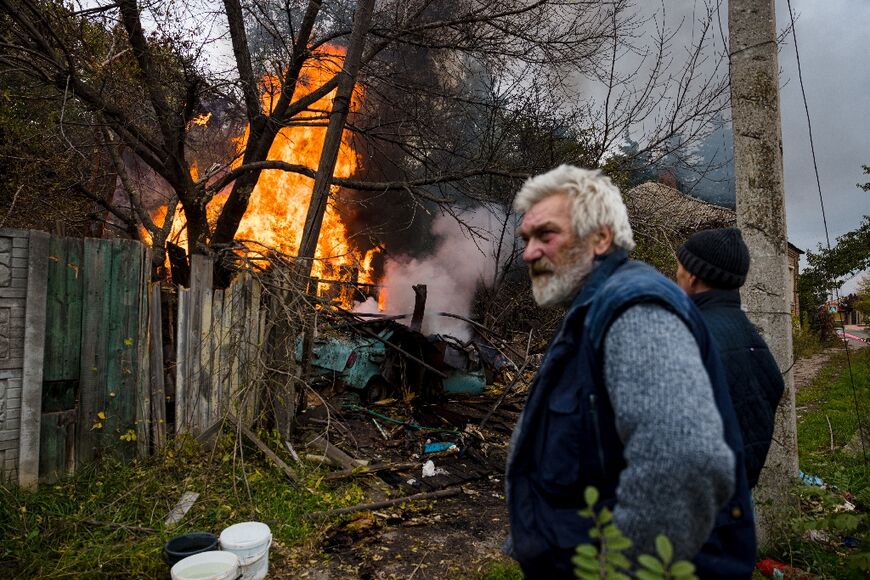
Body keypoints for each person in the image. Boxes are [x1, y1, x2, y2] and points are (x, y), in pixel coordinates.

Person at [505, 165, 755, 579]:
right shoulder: (593, 309)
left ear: (602, 237)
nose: (530, 252)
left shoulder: (633, 309)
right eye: (526, 239)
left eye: (546, 235)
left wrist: (615, 569)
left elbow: (681, 461)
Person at [676, 227, 785, 489]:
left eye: (678, 268)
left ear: (692, 276)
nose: (675, 275)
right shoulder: (749, 333)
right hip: (738, 493)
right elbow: (772, 389)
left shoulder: (690, 335)